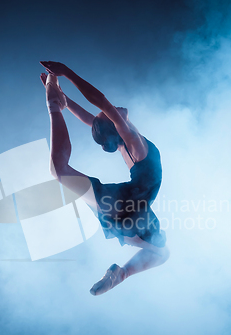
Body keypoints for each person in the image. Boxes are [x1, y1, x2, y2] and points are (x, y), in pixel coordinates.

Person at [40, 61, 170, 296]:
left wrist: (65, 100)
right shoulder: (131, 141)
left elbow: (89, 119)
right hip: (128, 205)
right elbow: (98, 100)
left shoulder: (123, 144)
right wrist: (66, 72)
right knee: (58, 171)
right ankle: (53, 107)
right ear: (115, 126)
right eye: (108, 112)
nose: (112, 107)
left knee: (162, 254)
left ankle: (120, 275)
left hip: (125, 209)